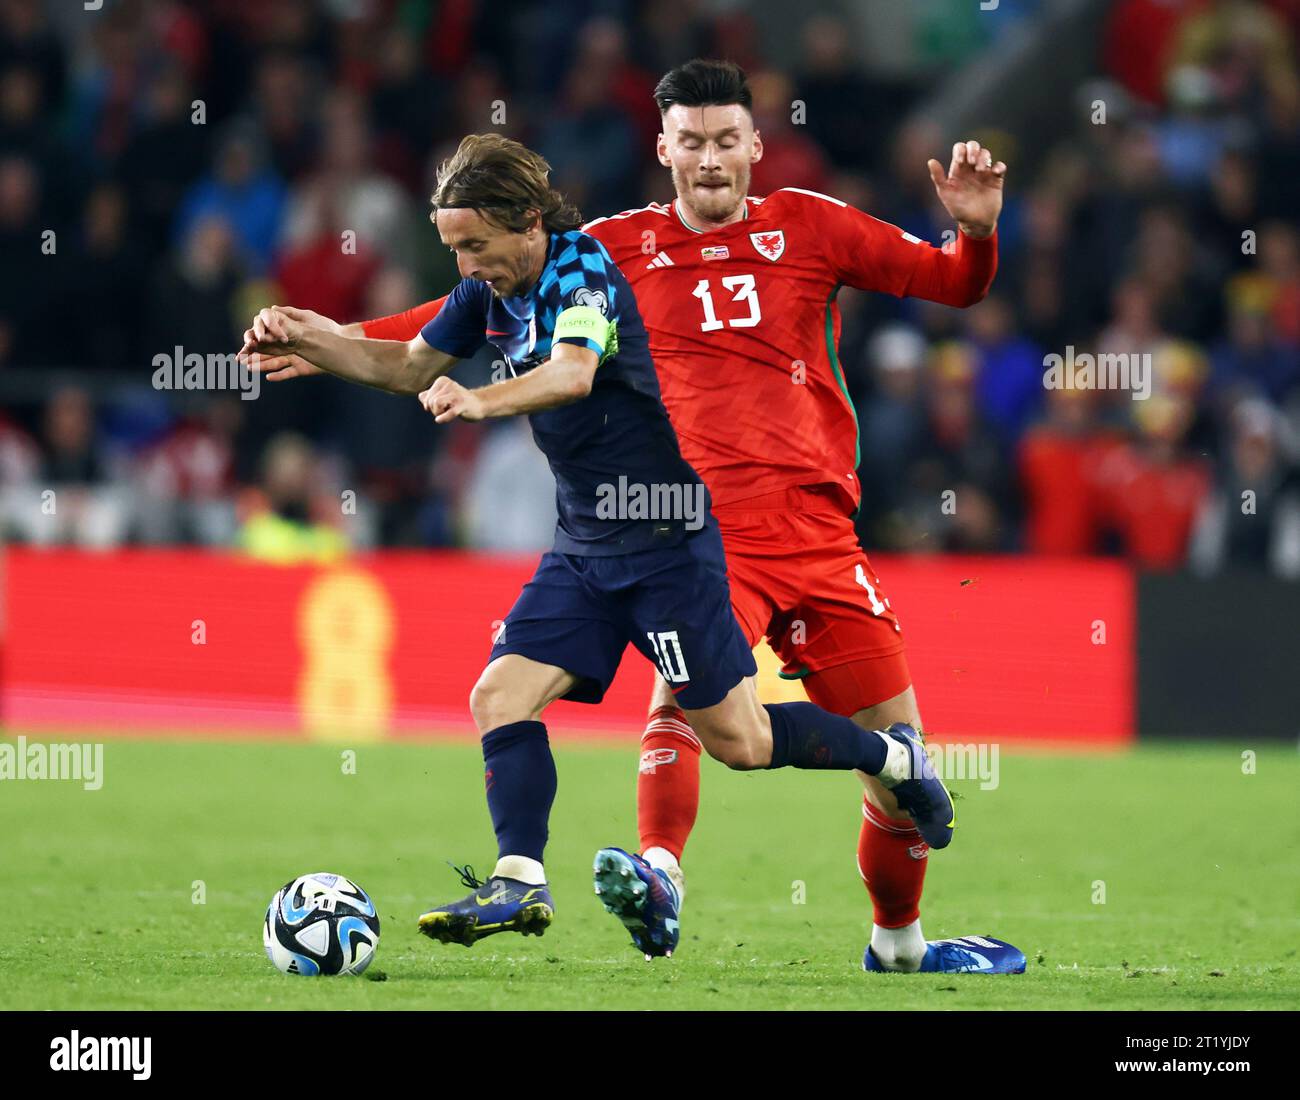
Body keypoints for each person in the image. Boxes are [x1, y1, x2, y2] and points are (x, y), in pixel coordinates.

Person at [245, 60, 1025, 975]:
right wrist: (328, 341)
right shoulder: (612, 247)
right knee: (690, 710)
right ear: (662, 148)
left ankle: (898, 943)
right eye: (689, 142)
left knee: (873, 759)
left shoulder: (811, 224)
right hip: (690, 521)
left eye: (725, 140)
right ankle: (646, 872)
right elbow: (452, 316)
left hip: (817, 532)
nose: (708, 159)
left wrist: (975, 236)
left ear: (754, 145)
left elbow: (954, 285)